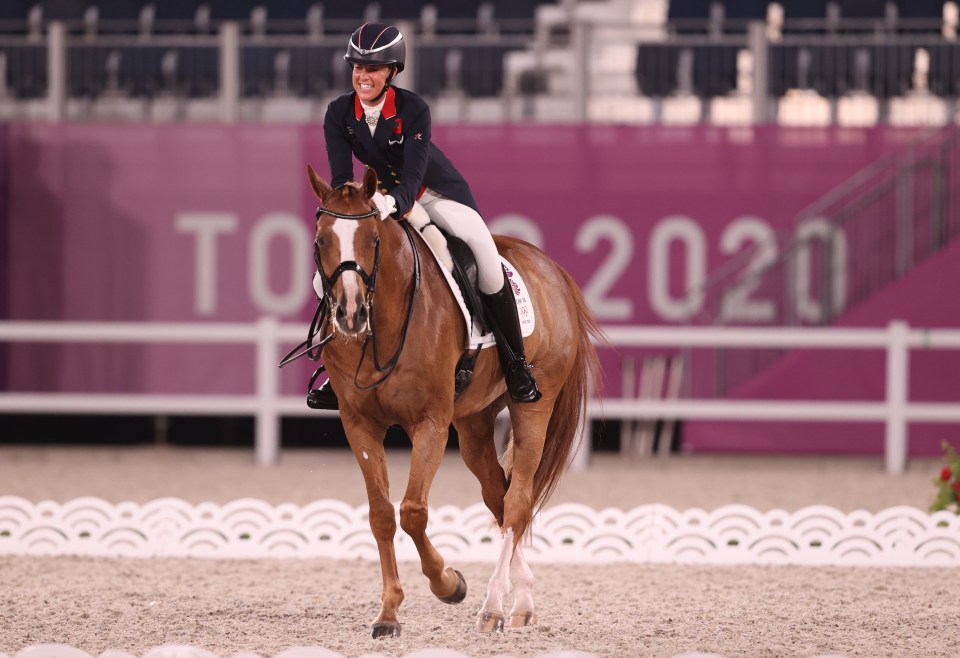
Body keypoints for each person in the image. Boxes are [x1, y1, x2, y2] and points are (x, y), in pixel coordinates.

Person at [307, 22, 542, 411]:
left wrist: (389, 203)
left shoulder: (414, 110)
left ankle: (516, 364)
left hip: (434, 194)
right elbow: (339, 182)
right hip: (377, 198)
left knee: (483, 254)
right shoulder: (337, 113)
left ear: (392, 73)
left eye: (374, 69)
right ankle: (343, 366)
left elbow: (413, 178)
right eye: (358, 68)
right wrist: (357, 206)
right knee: (324, 279)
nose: (363, 76)